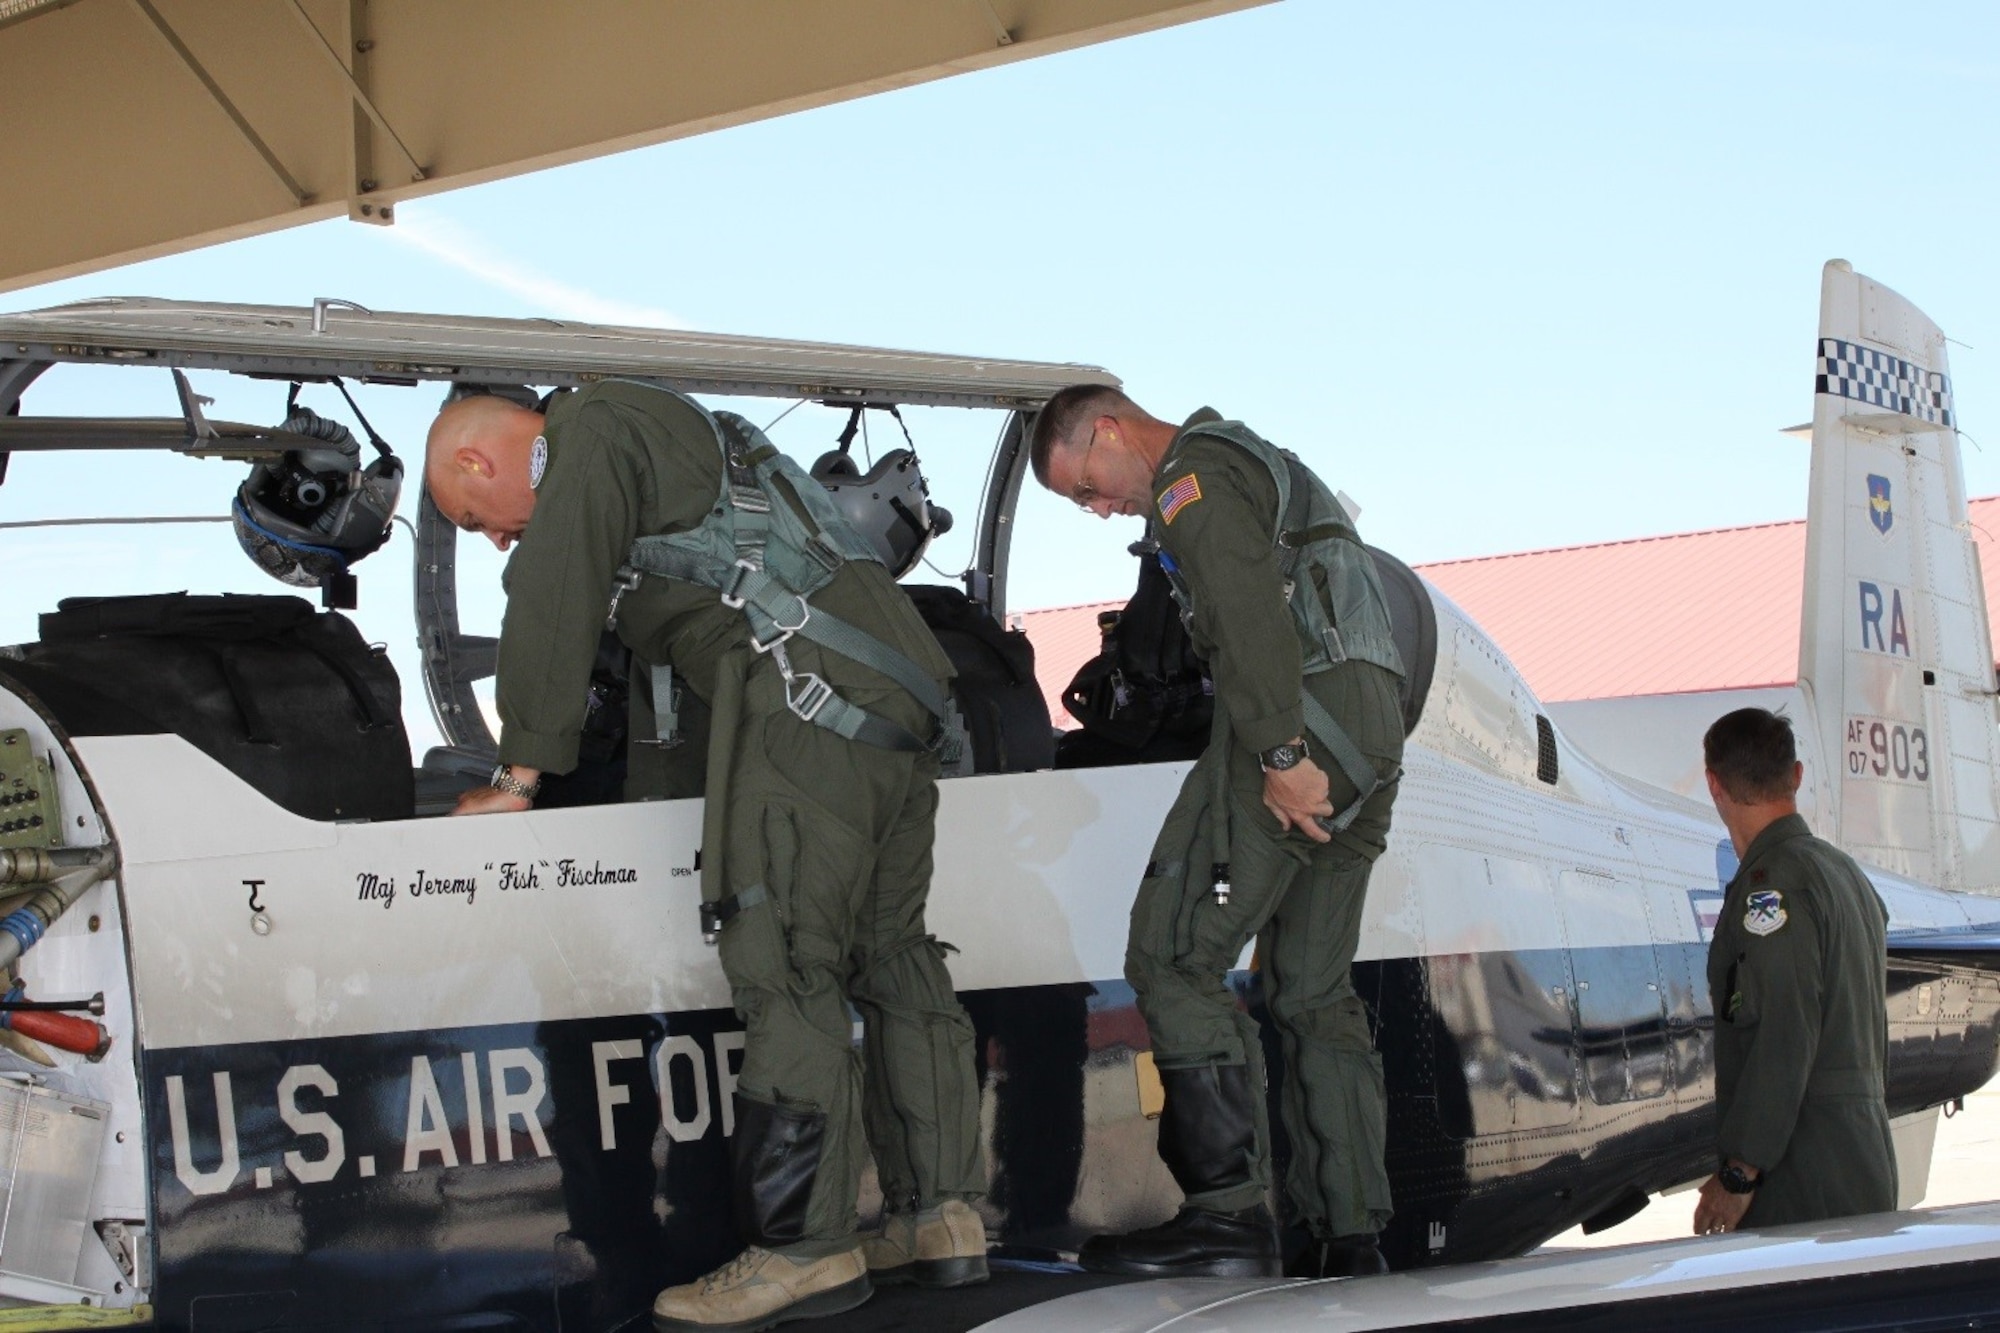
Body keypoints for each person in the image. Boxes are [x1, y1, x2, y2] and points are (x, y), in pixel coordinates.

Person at [425, 384, 988, 1331]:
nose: (495, 539)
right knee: (890, 952)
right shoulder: (678, 444)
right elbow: (680, 674)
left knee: (785, 963)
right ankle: (939, 1218)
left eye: (477, 520)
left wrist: (518, 774)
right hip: (890, 696)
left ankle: (803, 1250)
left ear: (480, 462)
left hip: (809, 705)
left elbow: (554, 583)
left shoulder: (590, 432)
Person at [1029, 384, 1406, 1279]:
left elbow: (1242, 608)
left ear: (1111, 431)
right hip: (1369, 725)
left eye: (1086, 485)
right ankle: (1349, 1233)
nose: (1097, 508)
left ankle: (1229, 1218)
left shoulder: (1192, 477)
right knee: (1313, 990)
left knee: (1171, 956)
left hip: (1302, 722)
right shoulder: (1254, 460)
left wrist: (1280, 751)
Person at [1693, 707, 1897, 1235]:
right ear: (1797, 776)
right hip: (1859, 1161)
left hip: (1802, 1181)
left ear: (1714, 784)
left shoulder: (1773, 889)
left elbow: (1785, 1033)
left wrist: (1739, 1175)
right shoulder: (1842, 872)